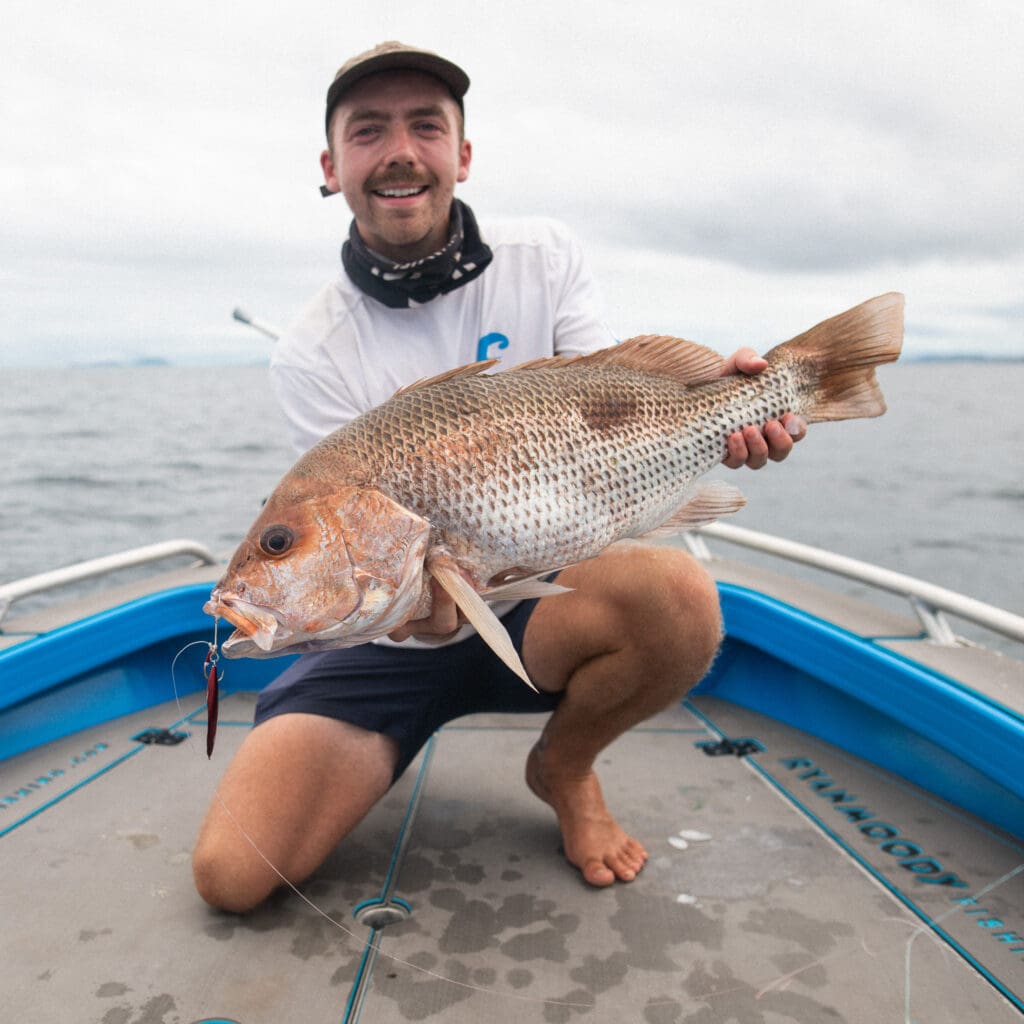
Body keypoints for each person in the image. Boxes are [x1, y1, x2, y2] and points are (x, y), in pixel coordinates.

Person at [192, 41, 805, 913]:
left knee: (680, 594)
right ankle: (392, 729)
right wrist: (396, 597)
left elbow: (614, 396)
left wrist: (722, 406)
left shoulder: (545, 256)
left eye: (426, 126)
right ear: (331, 168)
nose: (400, 149)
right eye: (369, 131)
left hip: (539, 599)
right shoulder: (310, 352)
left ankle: (565, 767)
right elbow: (365, 581)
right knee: (234, 876)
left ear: (462, 155)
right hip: (380, 636)